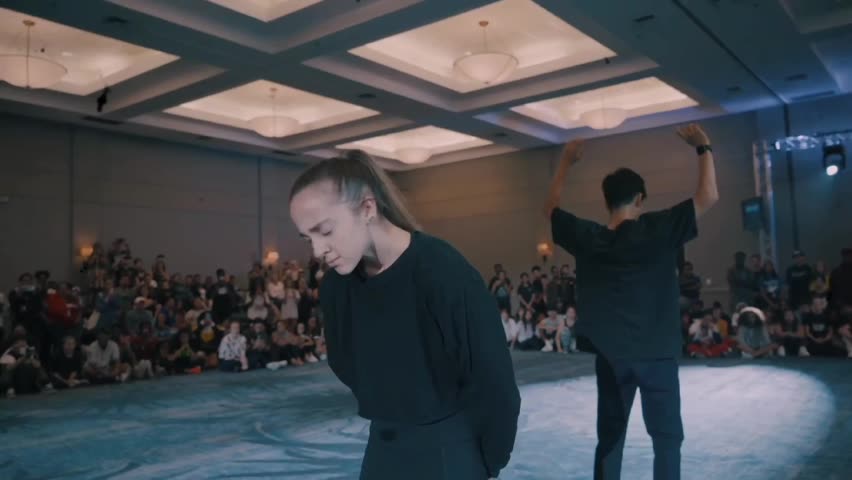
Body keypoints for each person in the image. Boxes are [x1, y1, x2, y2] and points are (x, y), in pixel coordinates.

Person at [289, 149, 520, 480]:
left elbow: (494, 379)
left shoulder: (440, 269)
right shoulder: (336, 288)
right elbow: (345, 364)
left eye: (324, 230)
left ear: (367, 208)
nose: (317, 251)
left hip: (449, 449)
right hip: (383, 447)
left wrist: (488, 461)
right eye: (307, 237)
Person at [544, 124, 718, 480]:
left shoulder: (588, 237)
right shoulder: (658, 228)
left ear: (606, 201)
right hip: (658, 354)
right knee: (667, 441)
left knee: (610, 439)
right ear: (640, 199)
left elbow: (550, 209)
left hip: (611, 358)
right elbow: (708, 196)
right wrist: (703, 147)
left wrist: (565, 162)